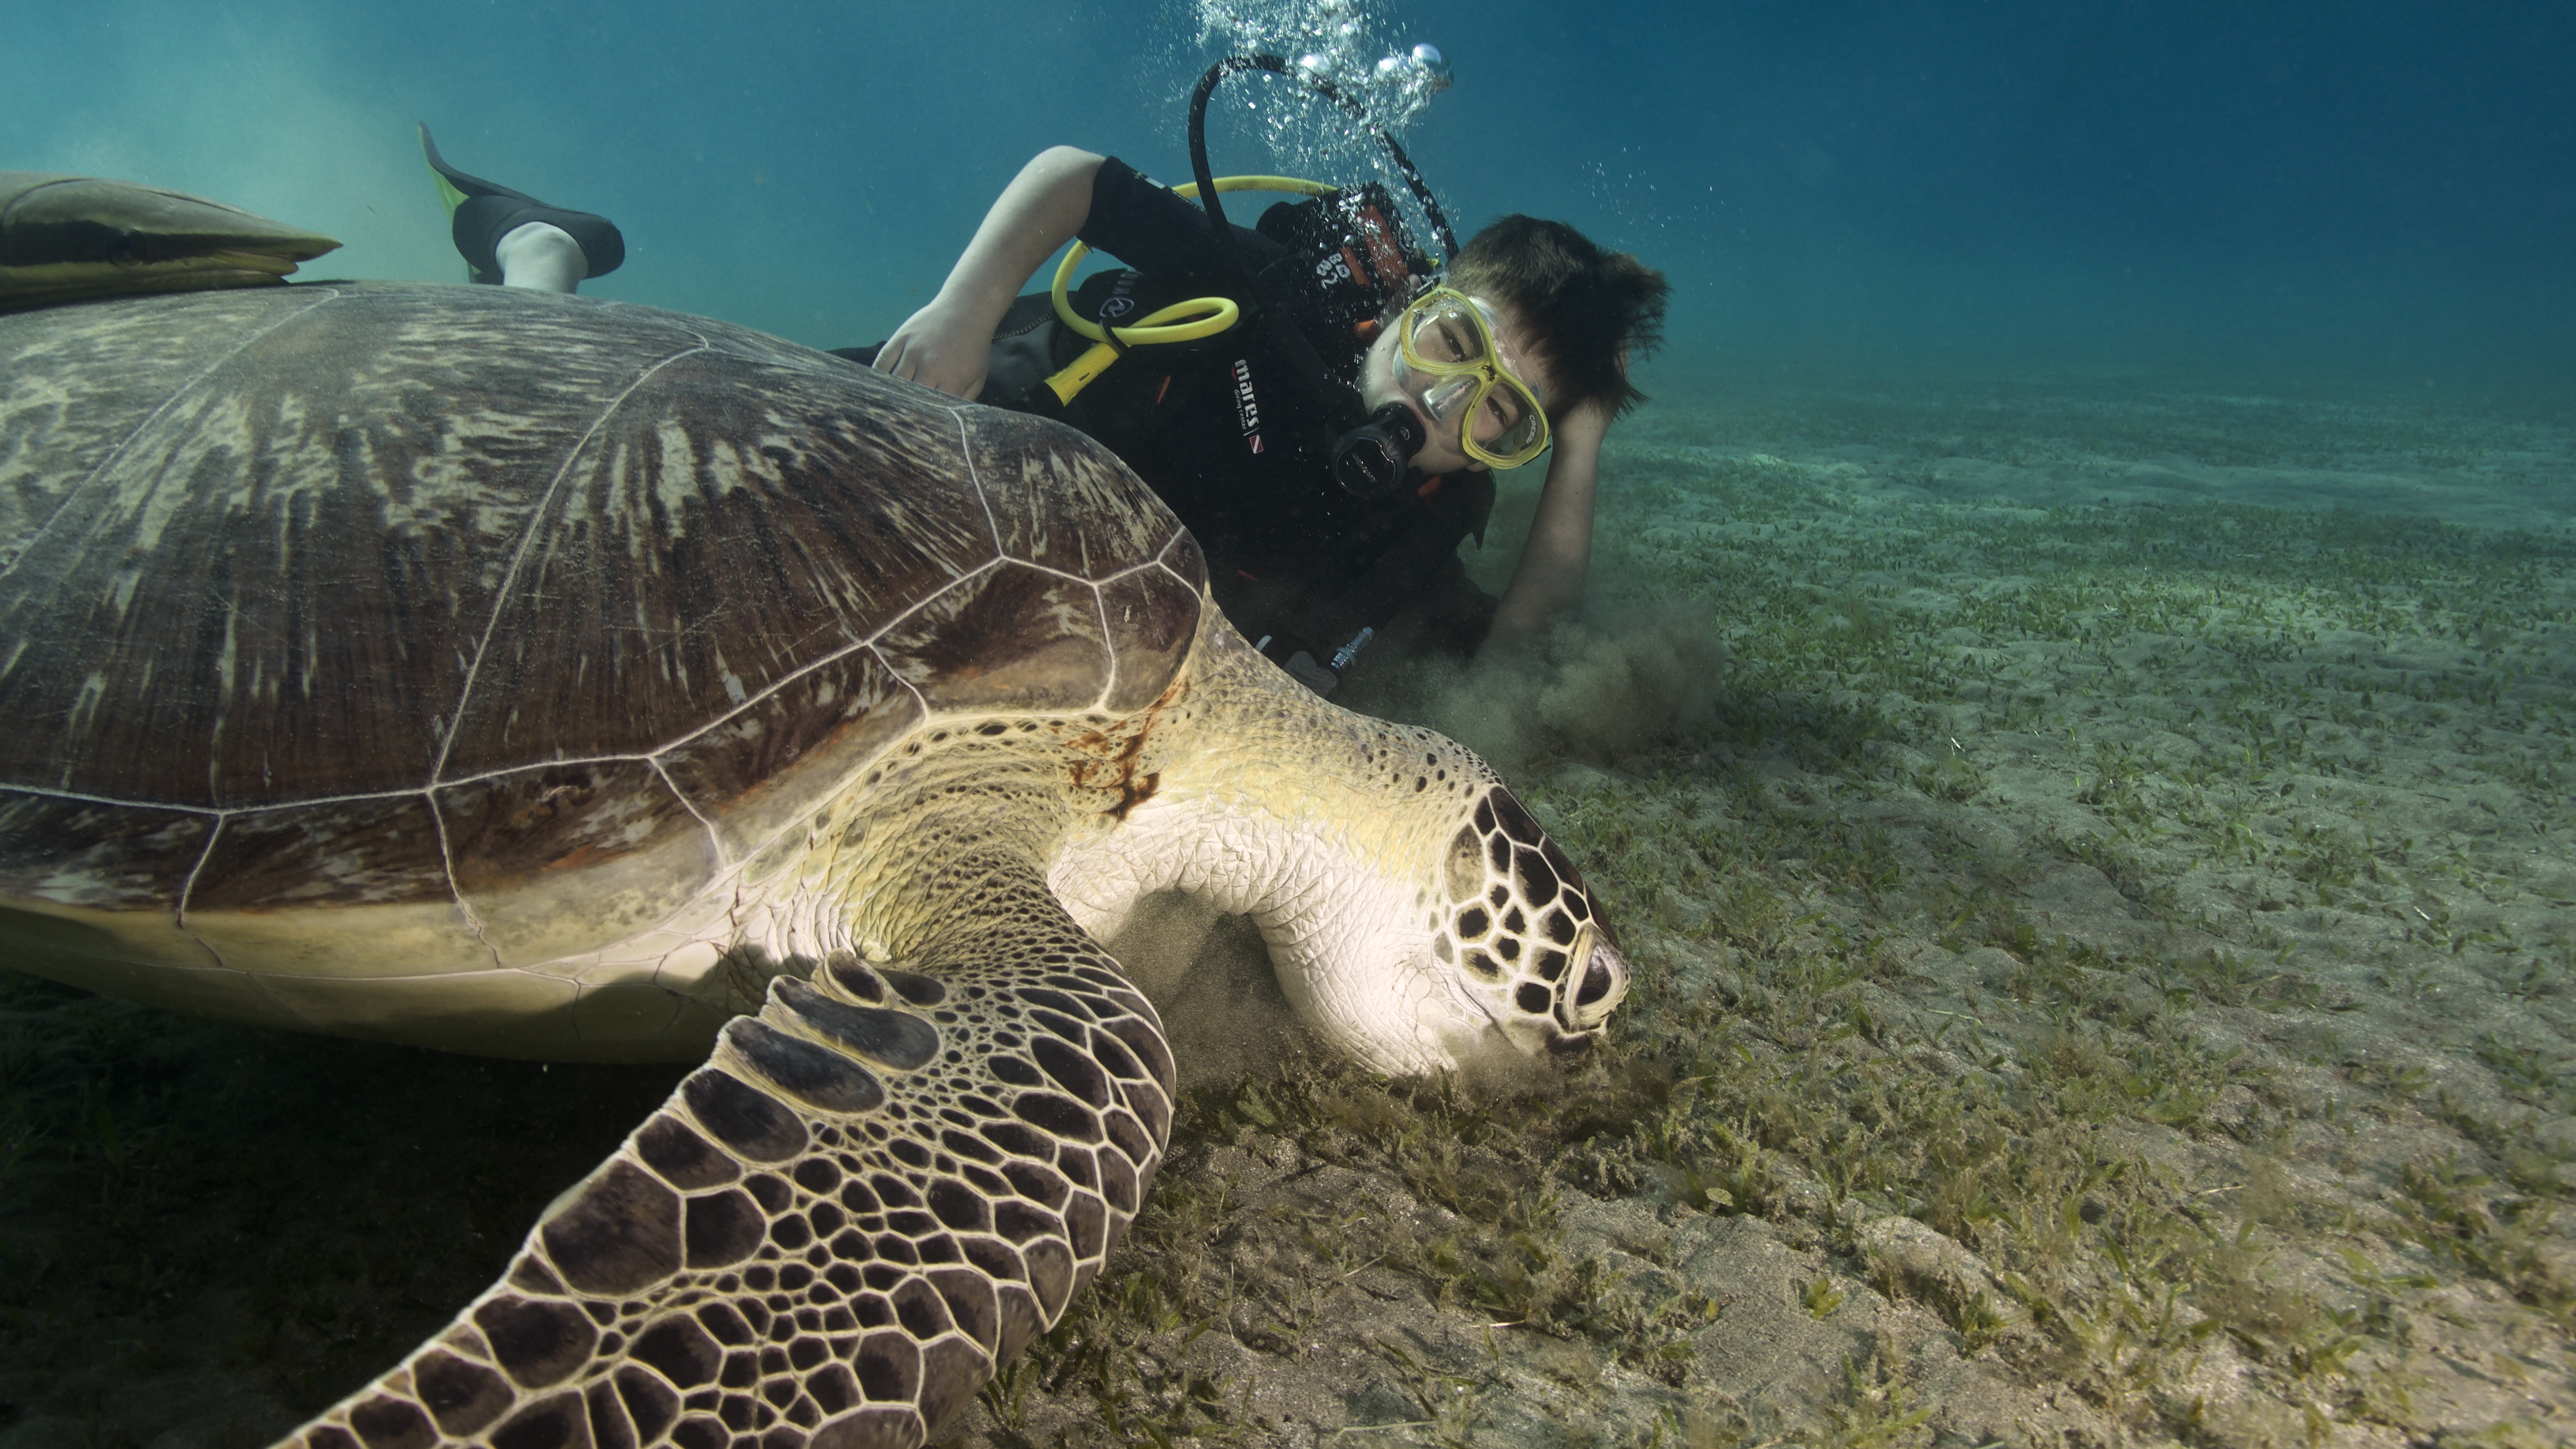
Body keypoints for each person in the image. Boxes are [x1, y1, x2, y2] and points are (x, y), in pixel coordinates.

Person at [421, 134, 1667, 696]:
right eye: (1449, 345)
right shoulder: (1274, 294)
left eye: (1502, 420)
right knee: (650, 450)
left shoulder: (1429, 513)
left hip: (1024, 567)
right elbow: (1074, 179)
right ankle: (541, 262)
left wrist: (1585, 435)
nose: (1439, 408)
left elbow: (1522, 645)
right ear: (1406, 301)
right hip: (983, 406)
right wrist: (964, 314)